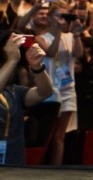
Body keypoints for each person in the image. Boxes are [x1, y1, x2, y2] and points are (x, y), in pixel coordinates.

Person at [0, 36, 54, 166]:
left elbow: (44, 92)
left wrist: (37, 67)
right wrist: (11, 61)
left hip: (14, 163)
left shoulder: (12, 91)